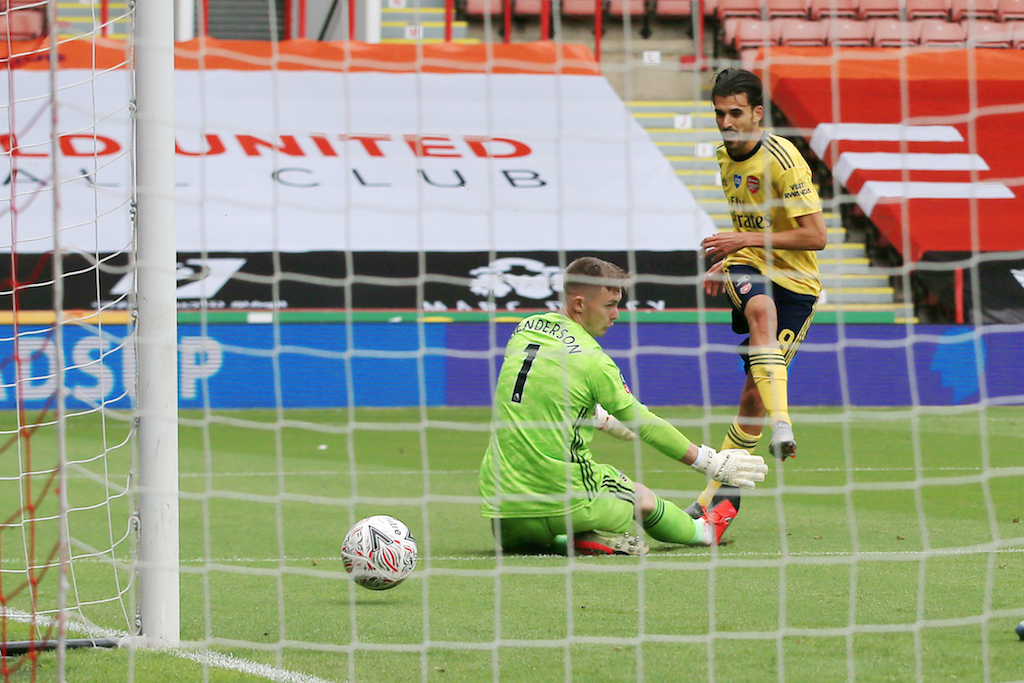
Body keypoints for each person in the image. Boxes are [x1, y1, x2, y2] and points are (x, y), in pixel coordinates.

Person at [478, 256, 769, 555]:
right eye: (609, 305)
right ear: (579, 304)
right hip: (569, 506)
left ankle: (570, 542)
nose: (616, 314)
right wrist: (711, 462)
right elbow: (643, 423)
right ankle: (703, 531)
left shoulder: (525, 329)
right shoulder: (593, 361)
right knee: (639, 495)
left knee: (535, 525)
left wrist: (600, 417)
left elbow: (543, 388)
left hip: (504, 516)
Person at [687, 68, 827, 519]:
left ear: (757, 113)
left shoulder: (783, 159)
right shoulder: (724, 156)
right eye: (719, 113)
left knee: (751, 394)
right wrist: (732, 256)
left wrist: (740, 243)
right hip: (751, 267)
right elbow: (749, 227)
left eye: (735, 113)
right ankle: (782, 424)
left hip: (798, 283)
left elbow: (816, 236)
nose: (726, 122)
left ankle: (720, 497)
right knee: (760, 310)